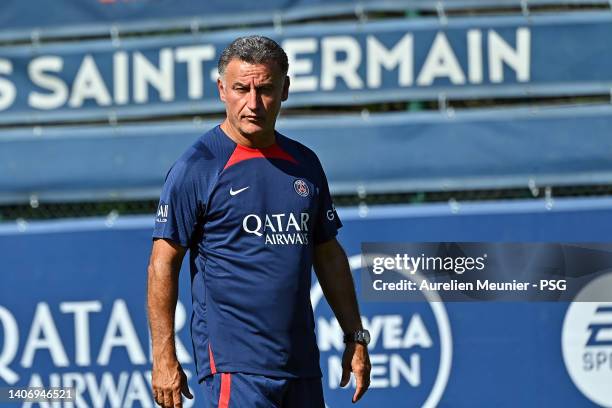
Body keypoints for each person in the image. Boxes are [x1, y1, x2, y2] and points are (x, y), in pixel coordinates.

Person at [147, 35, 371, 408]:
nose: (252, 103)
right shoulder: (197, 167)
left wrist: (355, 336)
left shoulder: (305, 164)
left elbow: (328, 253)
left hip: (301, 364)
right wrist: (163, 357)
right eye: (241, 89)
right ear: (222, 89)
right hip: (235, 367)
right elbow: (162, 263)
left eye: (265, 89)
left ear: (285, 89)